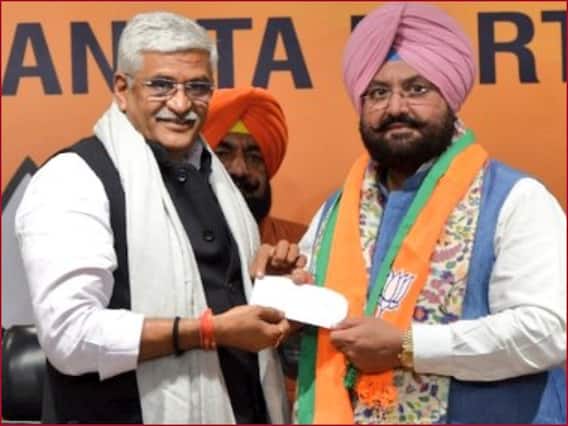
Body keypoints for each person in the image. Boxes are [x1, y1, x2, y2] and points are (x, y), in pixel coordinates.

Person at [14, 11, 295, 424]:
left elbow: (229, 297)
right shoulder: (74, 178)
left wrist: (276, 289)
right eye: (161, 85)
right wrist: (207, 331)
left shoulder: (221, 182)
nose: (181, 105)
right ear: (122, 89)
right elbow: (69, 337)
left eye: (197, 87)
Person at [292, 2, 566, 424]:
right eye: (377, 93)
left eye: (417, 89)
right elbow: (308, 338)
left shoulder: (516, 199)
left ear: (450, 97)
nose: (396, 107)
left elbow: (545, 331)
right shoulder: (336, 212)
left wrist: (409, 346)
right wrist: (284, 294)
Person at [202, 87, 307, 245]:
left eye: (254, 157)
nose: (239, 170)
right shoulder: (171, 245)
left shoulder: (305, 244)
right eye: (223, 154)